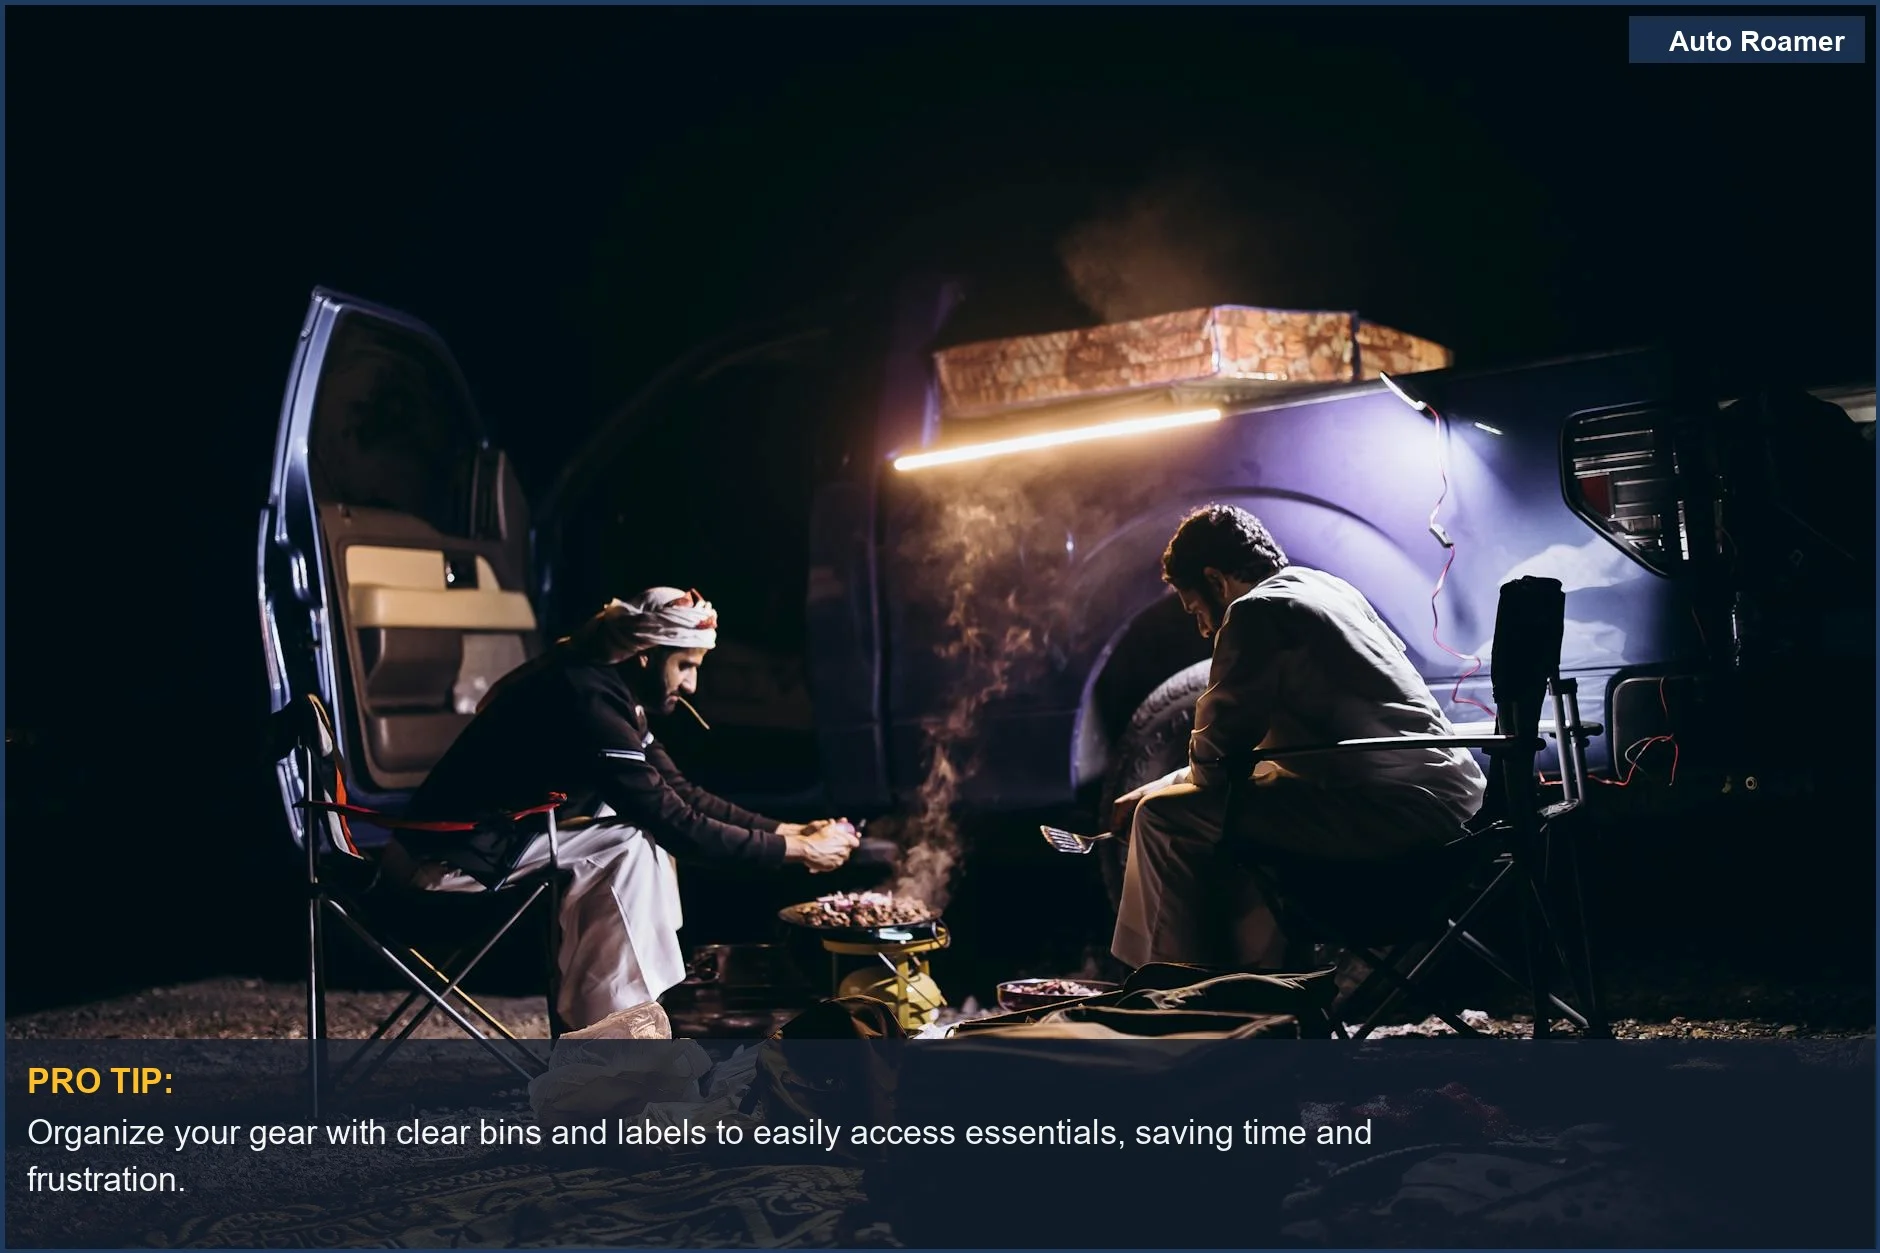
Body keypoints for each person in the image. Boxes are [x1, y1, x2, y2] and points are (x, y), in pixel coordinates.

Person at [388, 587, 858, 1034]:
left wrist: (790, 829)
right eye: (685, 666)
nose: (692, 686)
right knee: (628, 844)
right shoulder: (586, 697)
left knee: (630, 837)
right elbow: (674, 823)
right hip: (448, 856)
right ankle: (616, 1043)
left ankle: (611, 1034)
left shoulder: (604, 687)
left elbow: (680, 793)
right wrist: (794, 852)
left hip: (487, 843)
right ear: (646, 655)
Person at [1109, 505, 1487, 972]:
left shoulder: (1255, 613)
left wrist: (1160, 793)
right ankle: (1264, 987)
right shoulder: (1328, 590)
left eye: (1196, 609)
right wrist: (1163, 780)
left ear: (1215, 579)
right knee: (1234, 803)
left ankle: (1177, 995)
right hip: (1454, 813)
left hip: (1397, 819)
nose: (1204, 628)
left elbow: (1216, 763)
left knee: (1163, 818)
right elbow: (1285, 752)